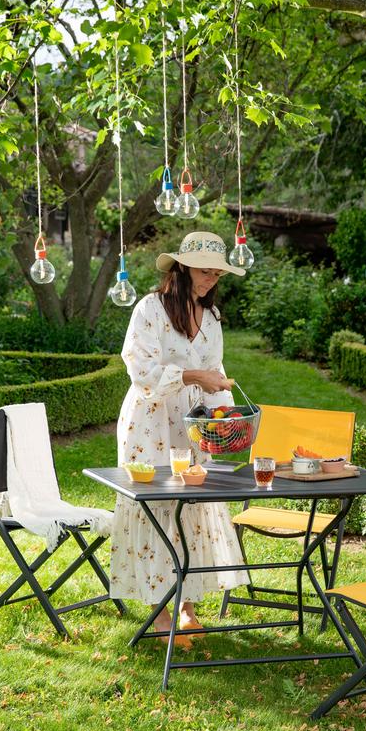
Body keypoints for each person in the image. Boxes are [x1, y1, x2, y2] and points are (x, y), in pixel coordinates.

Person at [110, 230, 251, 647]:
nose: (211, 280)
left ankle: (187, 604)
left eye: (217, 274)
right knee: (157, 505)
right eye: (205, 272)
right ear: (183, 268)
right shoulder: (149, 309)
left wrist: (226, 416)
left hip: (192, 422)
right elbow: (141, 370)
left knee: (190, 506)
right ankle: (160, 610)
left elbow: (215, 373)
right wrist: (193, 376)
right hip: (150, 420)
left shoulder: (211, 318)